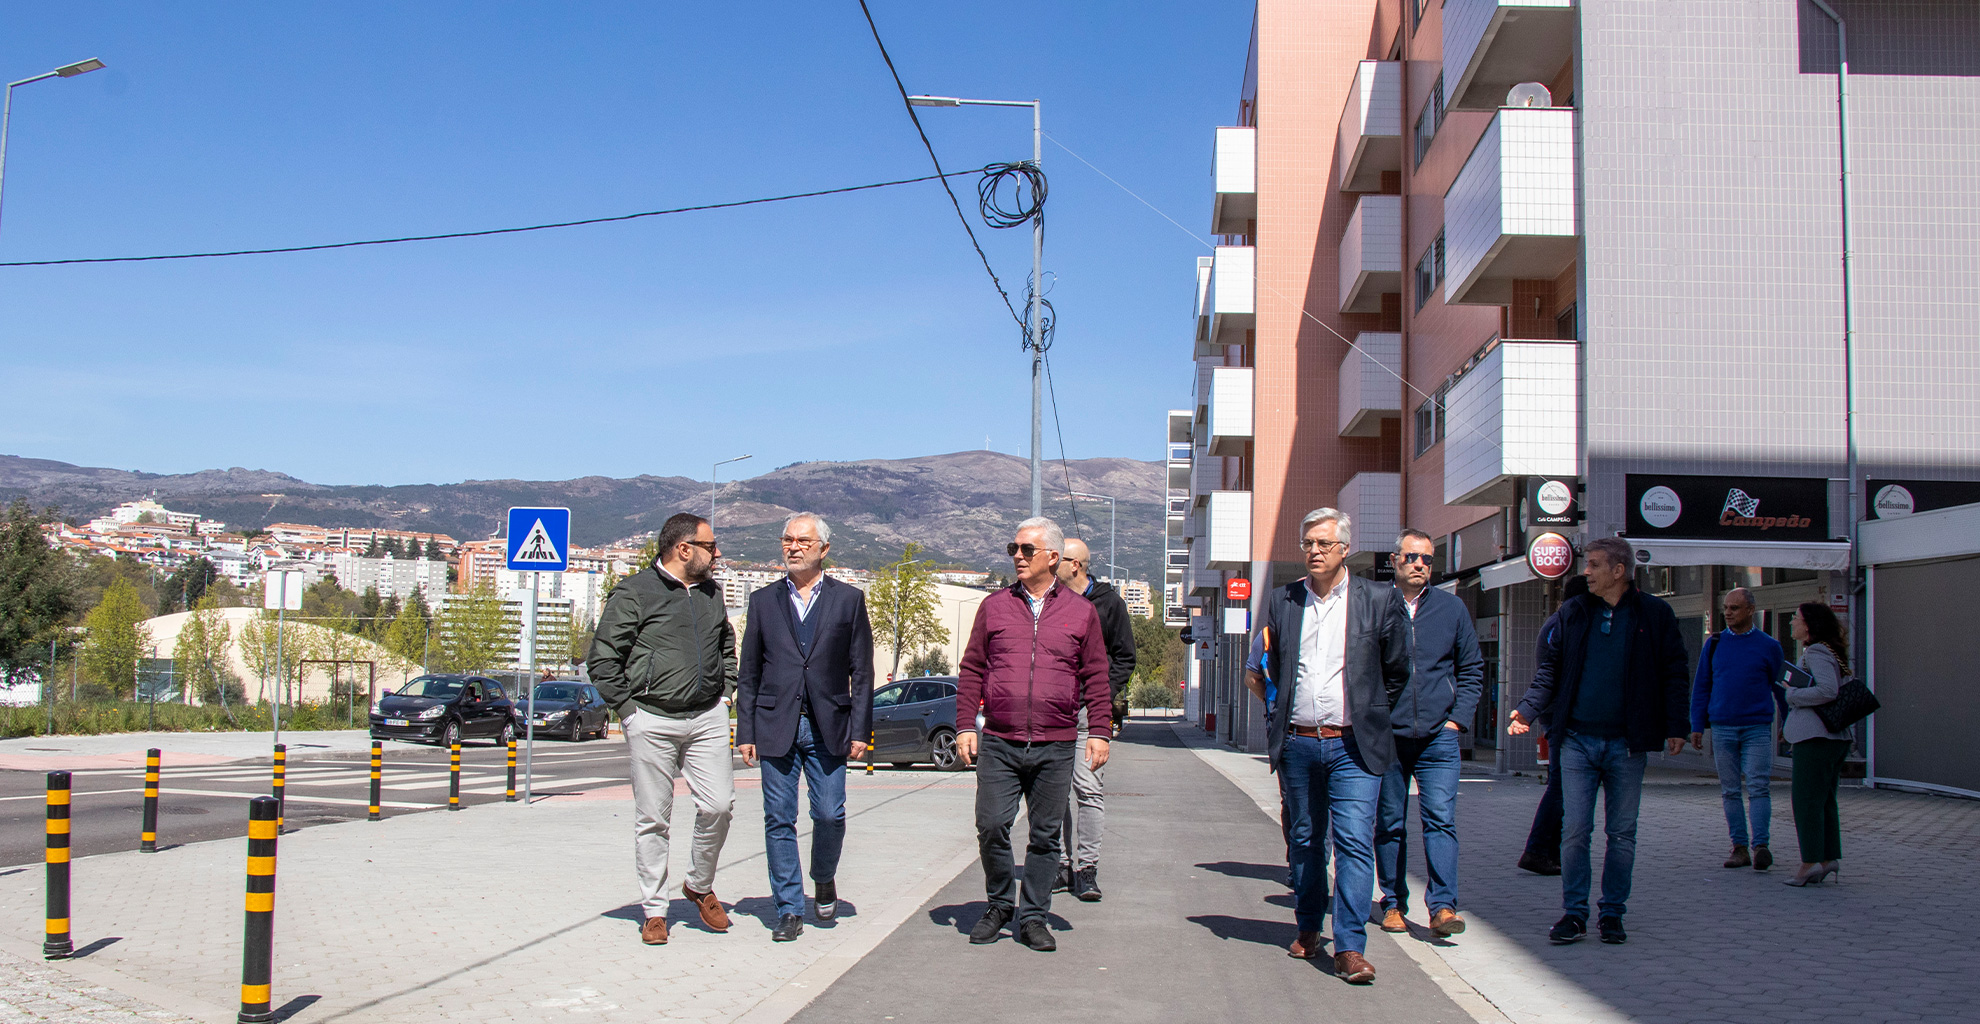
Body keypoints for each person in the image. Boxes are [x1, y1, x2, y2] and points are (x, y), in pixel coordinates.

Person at [1245, 508, 1412, 985]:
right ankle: (1308, 927)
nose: (1314, 551)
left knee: (1355, 843)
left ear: (1344, 550)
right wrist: (1279, 715)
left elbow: (1398, 670)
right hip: (1298, 744)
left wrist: (1371, 713)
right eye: (1308, 544)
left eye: (1323, 543)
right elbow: (1269, 666)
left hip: (1353, 746)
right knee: (1304, 840)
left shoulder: (1378, 599)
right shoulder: (1284, 600)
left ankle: (1351, 947)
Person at [1510, 536, 1688, 946]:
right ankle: (1574, 914)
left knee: (1622, 833)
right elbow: (1550, 672)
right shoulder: (1574, 612)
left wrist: (1678, 725)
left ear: (1618, 571)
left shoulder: (1655, 614)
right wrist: (1527, 709)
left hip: (1627, 744)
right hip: (1575, 741)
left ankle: (1612, 914)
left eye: (1592, 565)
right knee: (1575, 830)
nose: (1584, 572)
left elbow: (1674, 672)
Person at [954, 517, 1113, 952]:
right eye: (1014, 549)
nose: (1017, 557)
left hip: (1056, 742)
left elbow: (1097, 675)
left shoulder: (1081, 613)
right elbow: (972, 670)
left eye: (1026, 550)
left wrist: (1100, 729)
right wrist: (966, 724)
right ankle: (1001, 904)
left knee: (1045, 837)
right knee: (991, 825)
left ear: (1053, 558)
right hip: (1001, 741)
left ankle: (1034, 916)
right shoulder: (994, 606)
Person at [588, 512, 738, 947]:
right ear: (683, 549)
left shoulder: (712, 593)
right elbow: (602, 660)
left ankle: (698, 883)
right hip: (651, 718)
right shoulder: (635, 592)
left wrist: (726, 692)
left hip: (707, 716)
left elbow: (726, 647)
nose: (717, 553)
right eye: (711, 546)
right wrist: (629, 712)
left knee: (720, 807)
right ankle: (655, 910)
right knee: (653, 818)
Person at [736, 512, 876, 942]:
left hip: (828, 726)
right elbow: (749, 672)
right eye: (787, 540)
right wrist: (745, 731)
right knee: (779, 819)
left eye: (802, 541)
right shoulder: (762, 602)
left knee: (830, 814)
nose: (793, 547)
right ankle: (790, 909)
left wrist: (859, 730)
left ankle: (823, 876)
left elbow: (863, 671)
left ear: (824, 550)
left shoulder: (848, 600)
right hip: (775, 724)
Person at [1375, 529, 1483, 938]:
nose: (1420, 564)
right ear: (1395, 559)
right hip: (1388, 736)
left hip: (1439, 736)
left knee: (1440, 819)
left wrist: (1458, 719)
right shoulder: (1376, 605)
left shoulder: (1452, 609)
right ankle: (1392, 903)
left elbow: (1472, 668)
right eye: (1412, 557)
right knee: (1389, 822)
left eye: (1427, 559)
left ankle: (1442, 907)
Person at [1051, 538, 1136, 903]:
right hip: (1051, 711)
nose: (1052, 564)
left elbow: (1124, 656)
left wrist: (1100, 690)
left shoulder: (1109, 603)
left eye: (1059, 559)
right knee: (1051, 793)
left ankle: (1087, 869)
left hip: (1088, 712)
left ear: (1076, 566)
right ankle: (1058, 865)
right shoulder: (1049, 599)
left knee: (1088, 790)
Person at [1688, 588, 1786, 871]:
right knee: (1730, 790)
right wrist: (1697, 724)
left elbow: (1780, 688)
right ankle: (1739, 847)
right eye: (1726, 608)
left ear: (1750, 610)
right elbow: (1702, 686)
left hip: (1756, 727)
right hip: (1722, 728)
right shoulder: (1715, 644)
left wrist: (1788, 721)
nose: (1728, 613)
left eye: (1735, 608)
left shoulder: (1769, 646)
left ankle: (1761, 846)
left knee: (1758, 786)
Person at [1518, 573, 1588, 876]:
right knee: (1561, 786)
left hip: (1556, 713)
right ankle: (1538, 850)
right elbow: (1556, 673)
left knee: (1561, 785)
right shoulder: (1566, 624)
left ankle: (1549, 852)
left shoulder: (1555, 622)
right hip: (1564, 715)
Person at [1781, 602, 1852, 887]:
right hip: (1832, 737)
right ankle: (1827, 858)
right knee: (1824, 801)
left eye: (1795, 619)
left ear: (1808, 625)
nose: (1791, 624)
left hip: (1816, 738)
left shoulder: (1817, 651)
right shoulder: (1830, 650)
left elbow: (1827, 690)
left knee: (1806, 801)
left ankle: (1810, 862)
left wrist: (1793, 694)